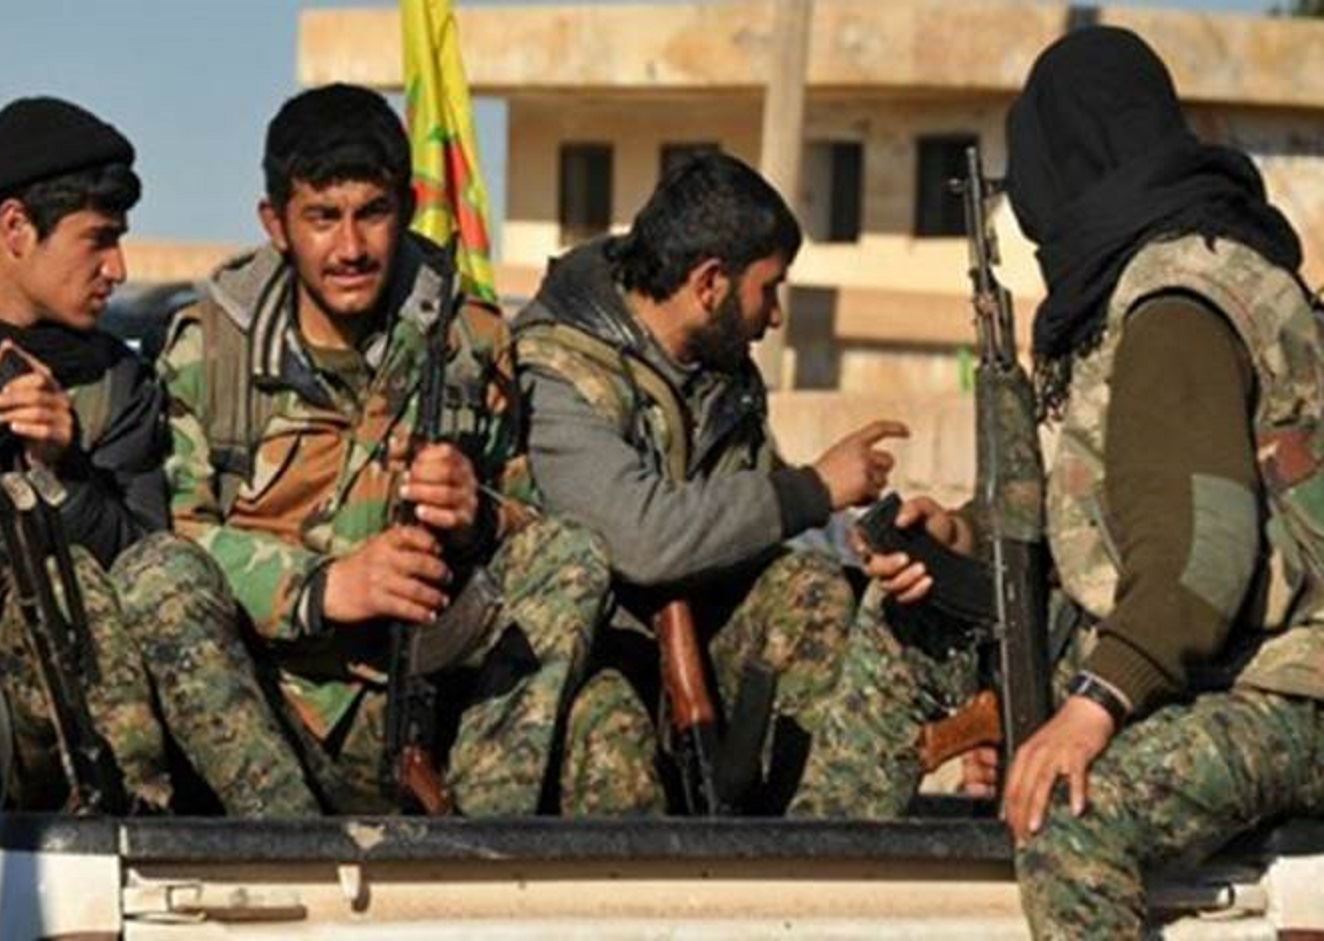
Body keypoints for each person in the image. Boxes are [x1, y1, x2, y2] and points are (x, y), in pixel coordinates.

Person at [825, 27, 1324, 936]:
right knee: (911, 615)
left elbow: (1201, 552)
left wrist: (1091, 708)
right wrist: (965, 536)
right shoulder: (1157, 276)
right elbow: (1112, 505)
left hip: (1279, 687)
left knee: (1067, 819)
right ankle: (819, 883)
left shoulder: (1178, 307)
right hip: (1209, 655)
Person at [0, 96, 321, 818]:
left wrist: (63, 473)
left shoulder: (114, 383)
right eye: (98, 240)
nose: (117, 268)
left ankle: (141, 825)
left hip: (40, 715)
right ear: (16, 228)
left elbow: (146, 570)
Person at [158, 83, 608, 815]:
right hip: (269, 717)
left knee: (572, 555)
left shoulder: (469, 341)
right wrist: (324, 587)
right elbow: (174, 538)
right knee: (154, 577)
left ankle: (483, 846)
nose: (351, 249)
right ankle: (284, 850)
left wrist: (477, 512)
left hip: (436, 704)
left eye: (372, 213)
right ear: (276, 224)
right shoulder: (209, 351)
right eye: (323, 218)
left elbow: (534, 522)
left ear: (406, 209)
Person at [513, 152, 906, 814]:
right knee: (612, 744)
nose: (775, 315)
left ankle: (812, 844)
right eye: (768, 289)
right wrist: (812, 490)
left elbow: (744, 507)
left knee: (812, 593)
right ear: (710, 283)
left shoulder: (719, 371)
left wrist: (860, 540)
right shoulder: (557, 372)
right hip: (583, 654)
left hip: (700, 635)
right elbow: (643, 539)